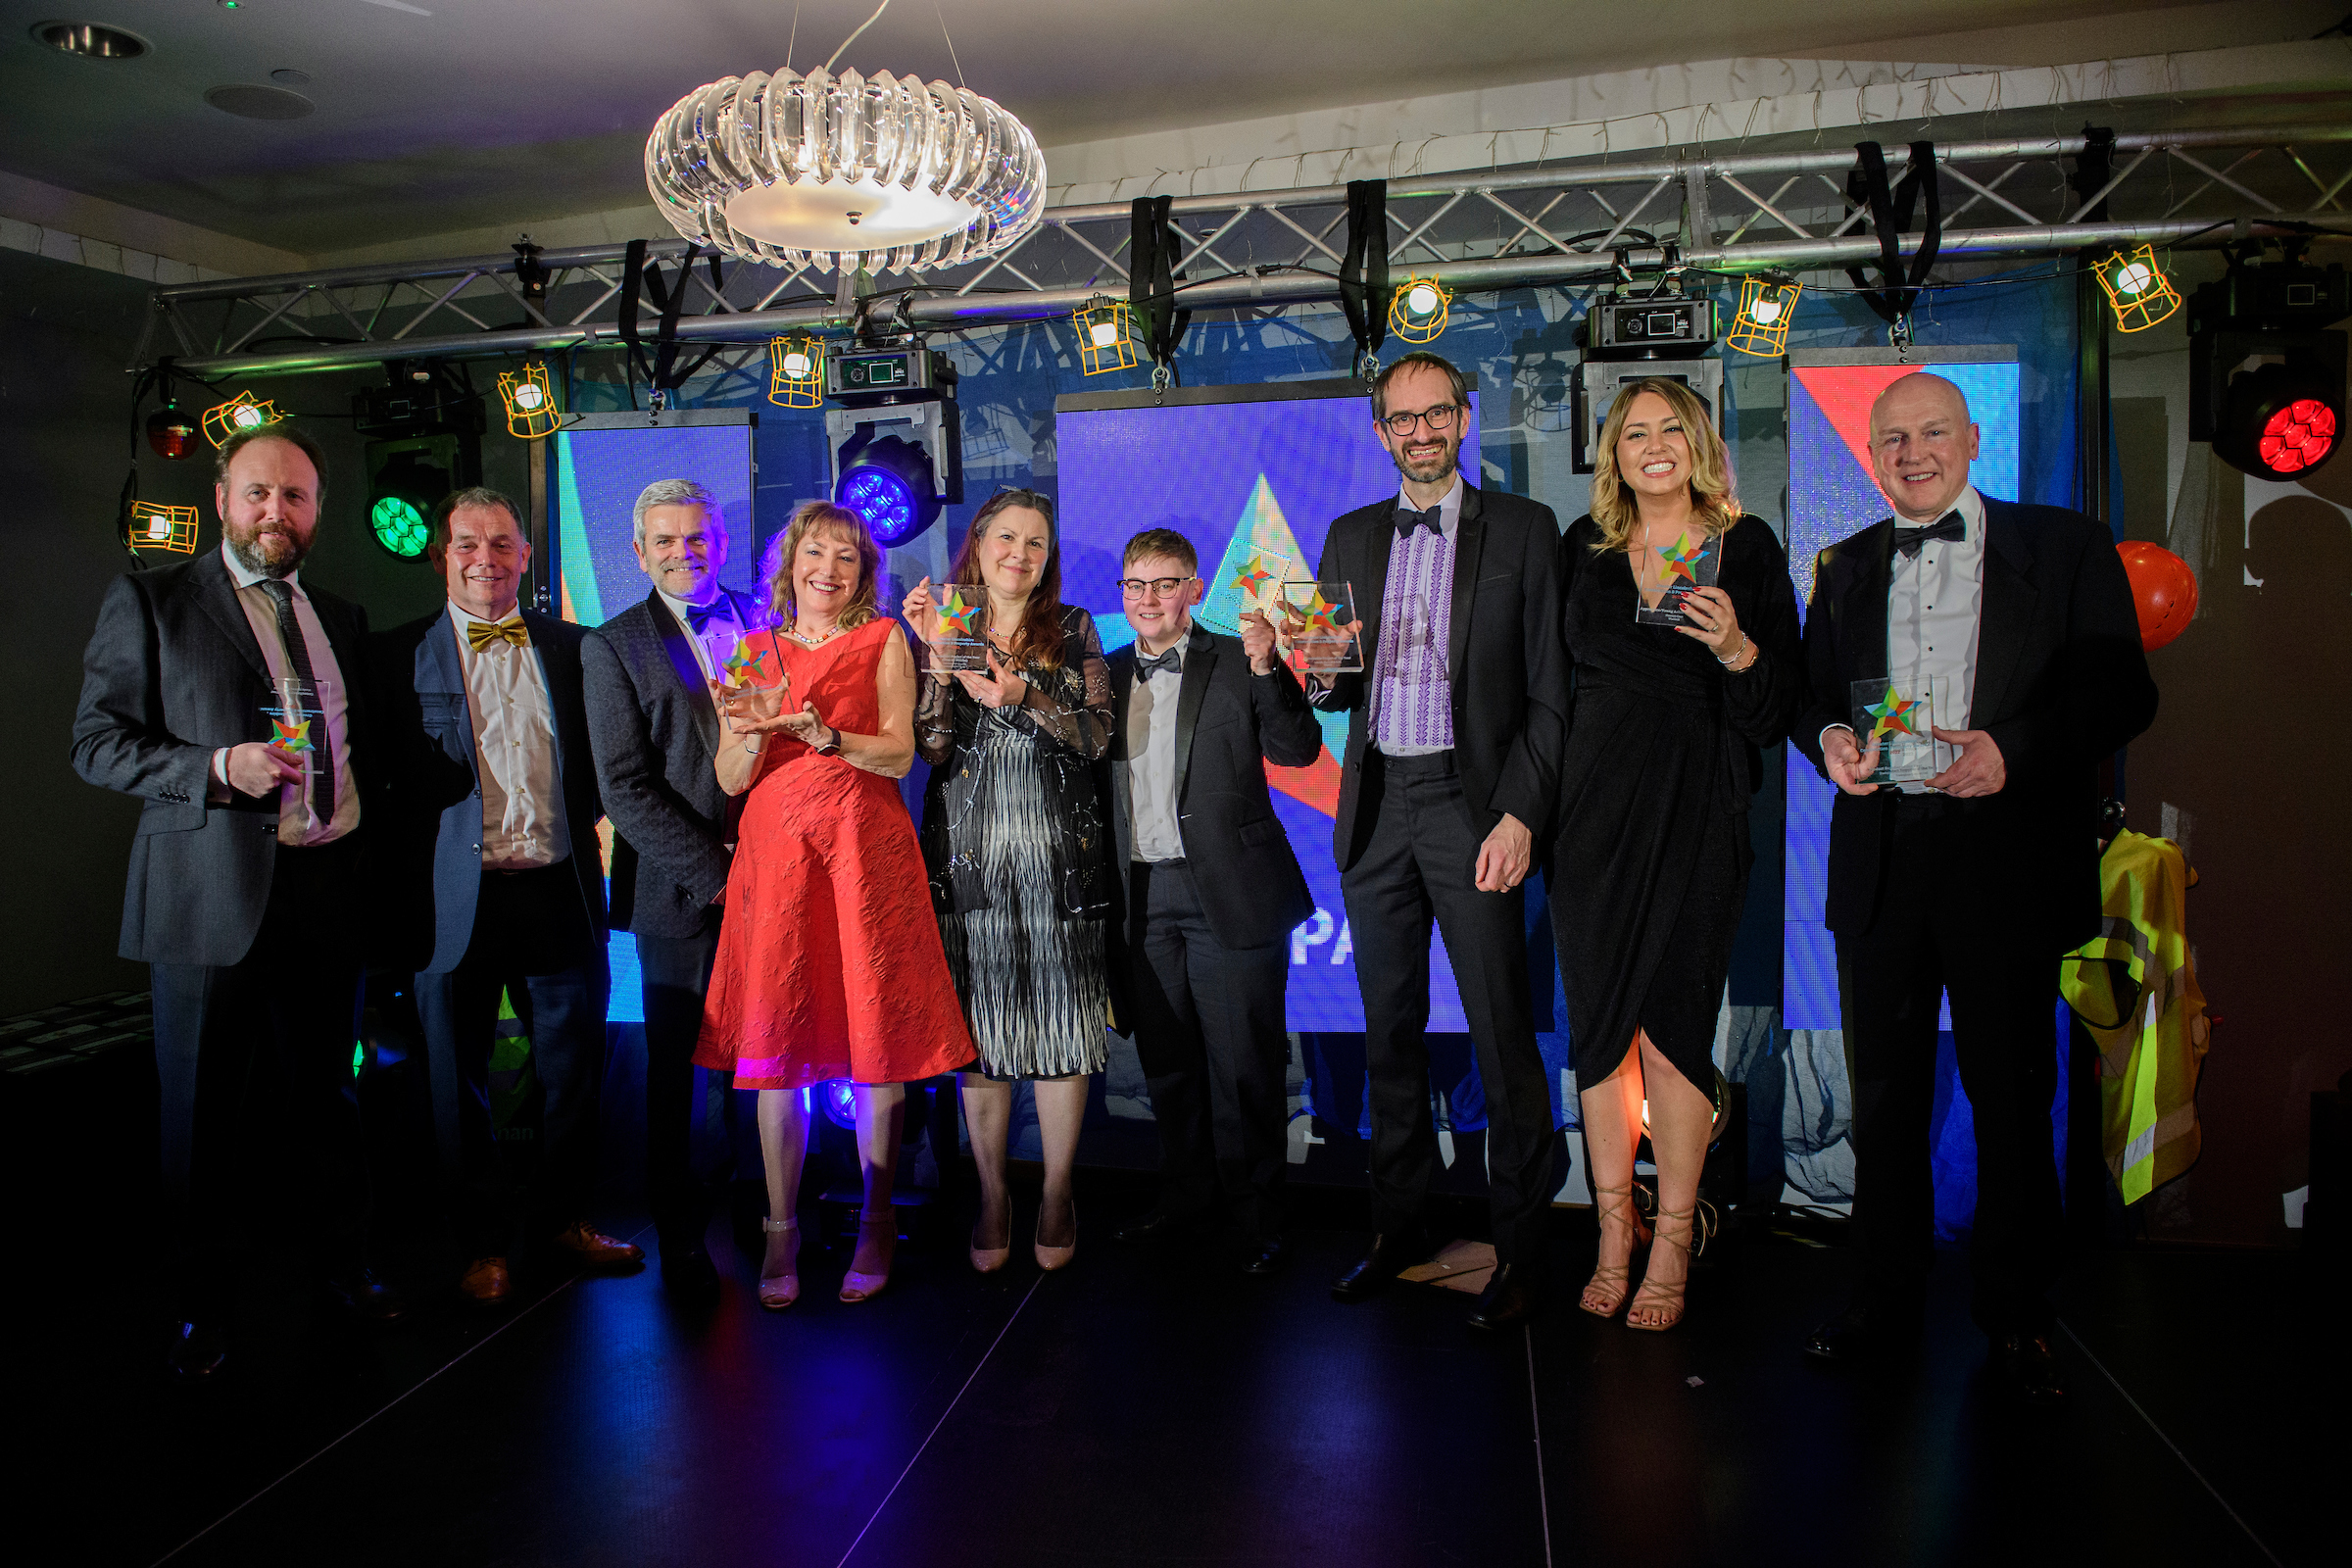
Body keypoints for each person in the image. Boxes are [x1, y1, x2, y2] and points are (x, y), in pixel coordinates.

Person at [1791, 371, 2157, 1401]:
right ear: (1872, 452)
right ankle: (1882, 1299)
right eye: (1893, 437)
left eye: (1932, 432)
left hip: (2005, 860)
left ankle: (2015, 1315)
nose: (1912, 453)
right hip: (1885, 864)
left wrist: (2013, 748)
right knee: (1885, 1105)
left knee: (2009, 1101)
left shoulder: (2066, 544)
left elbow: (2124, 689)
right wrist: (1826, 738)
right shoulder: (1847, 563)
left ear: (1972, 438)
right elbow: (1817, 694)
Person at [71, 422, 397, 1378]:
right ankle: (200, 1308)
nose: (275, 513)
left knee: (329, 1103)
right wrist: (217, 765)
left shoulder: (339, 614)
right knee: (203, 1113)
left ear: (317, 511)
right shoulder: (154, 603)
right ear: (221, 499)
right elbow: (96, 742)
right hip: (210, 899)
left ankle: (345, 1272)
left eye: (294, 497)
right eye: (258, 493)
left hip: (325, 886)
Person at [1311, 350, 1570, 1331]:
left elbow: (1552, 692)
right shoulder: (1346, 534)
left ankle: (1524, 1246)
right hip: (1377, 809)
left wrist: (1522, 812)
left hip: (1478, 808)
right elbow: (1335, 690)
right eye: (1400, 419)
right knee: (1390, 1038)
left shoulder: (1526, 529)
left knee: (1504, 1037)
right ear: (1380, 432)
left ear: (1463, 420)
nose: (1419, 432)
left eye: (1435, 415)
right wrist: (1296, 659)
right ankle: (1399, 1229)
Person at [1550, 380, 1801, 1331]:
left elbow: (1779, 708)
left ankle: (1672, 1241)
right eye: (1634, 433)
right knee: (1600, 1033)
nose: (1653, 446)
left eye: (1671, 430)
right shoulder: (1588, 550)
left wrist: (1738, 647)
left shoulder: (1751, 548)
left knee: (1673, 1027)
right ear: (1613, 451)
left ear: (1700, 443)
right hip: (1594, 815)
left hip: (1699, 807)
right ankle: (1612, 1232)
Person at [695, 502, 975, 1308]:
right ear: (789, 564)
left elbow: (898, 751)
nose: (828, 568)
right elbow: (729, 779)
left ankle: (876, 1221)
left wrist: (828, 738)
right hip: (778, 863)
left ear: (864, 573)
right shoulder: (754, 648)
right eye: (815, 553)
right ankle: (781, 1227)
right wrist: (746, 731)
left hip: (862, 855)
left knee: (872, 1032)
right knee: (776, 1041)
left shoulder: (883, 638)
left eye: (846, 557)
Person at [375, 487, 641, 1307]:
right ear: (441, 556)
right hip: (453, 903)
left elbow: (608, 767)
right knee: (457, 1081)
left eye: (501, 543)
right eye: (466, 544)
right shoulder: (395, 654)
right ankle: (482, 1243)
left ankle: (559, 1221)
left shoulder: (577, 646)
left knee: (573, 1073)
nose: (484, 557)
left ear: (527, 556)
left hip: (557, 890)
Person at [1100, 528, 1325, 1274]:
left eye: (1163, 584)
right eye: (1135, 585)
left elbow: (1298, 753)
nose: (1148, 599)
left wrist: (1269, 669)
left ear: (1195, 588)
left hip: (1229, 890)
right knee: (1167, 1066)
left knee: (1246, 1068)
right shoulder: (1103, 675)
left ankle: (1259, 1216)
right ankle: (1186, 1198)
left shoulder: (1236, 657)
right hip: (1142, 895)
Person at [904, 489, 1115, 1274]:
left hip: (1062, 862)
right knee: (983, 1045)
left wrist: (1023, 693)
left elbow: (1097, 737)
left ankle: (1057, 1192)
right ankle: (993, 1193)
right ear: (979, 544)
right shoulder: (950, 624)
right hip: (971, 863)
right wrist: (933, 659)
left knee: (1063, 1035)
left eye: (1035, 542)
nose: (1019, 554)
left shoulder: (1076, 627)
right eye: (1006, 538)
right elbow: (931, 748)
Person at [581, 479, 765, 1298]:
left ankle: (770, 1216)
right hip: (680, 894)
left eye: (697, 538)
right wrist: (722, 877)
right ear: (638, 551)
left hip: (779, 887)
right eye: (665, 540)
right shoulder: (612, 644)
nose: (684, 552)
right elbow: (623, 788)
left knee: (767, 1062)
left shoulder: (768, 618)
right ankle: (683, 1233)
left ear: (720, 540)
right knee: (677, 1077)